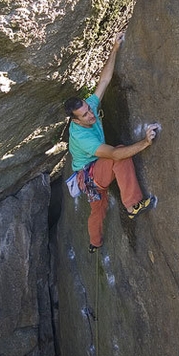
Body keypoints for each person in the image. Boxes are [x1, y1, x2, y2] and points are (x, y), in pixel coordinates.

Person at [64, 31, 159, 253]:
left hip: (93, 175)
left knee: (97, 211)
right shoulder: (81, 137)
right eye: (85, 115)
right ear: (75, 120)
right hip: (89, 174)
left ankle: (94, 244)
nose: (91, 115)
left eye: (89, 109)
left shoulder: (88, 107)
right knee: (120, 154)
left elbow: (104, 80)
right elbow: (115, 156)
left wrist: (114, 49)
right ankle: (132, 206)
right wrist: (145, 142)